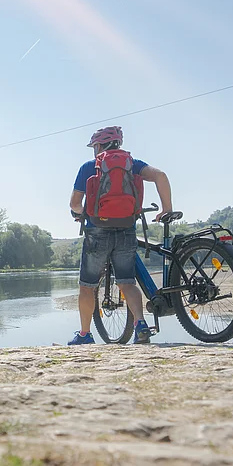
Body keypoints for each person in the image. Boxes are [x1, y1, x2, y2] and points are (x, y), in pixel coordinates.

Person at [68, 126, 173, 345]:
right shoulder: (133, 165)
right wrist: (166, 208)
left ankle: (85, 335)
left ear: (98, 146)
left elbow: (74, 204)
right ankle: (141, 325)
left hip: (97, 231)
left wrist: (82, 213)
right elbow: (161, 176)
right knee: (127, 282)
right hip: (126, 229)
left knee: (87, 286)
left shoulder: (90, 166)